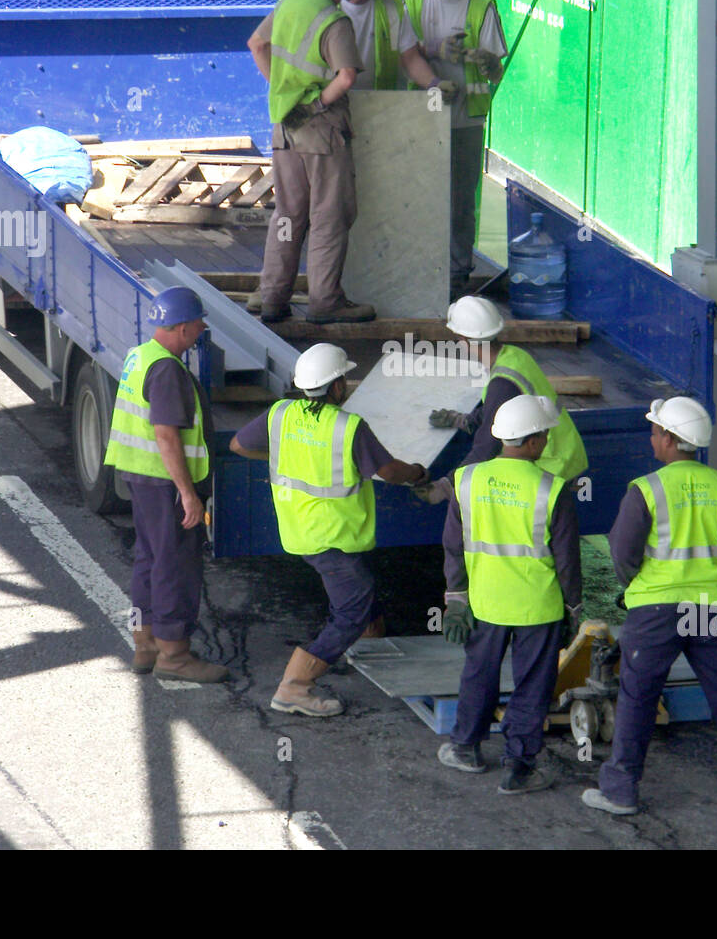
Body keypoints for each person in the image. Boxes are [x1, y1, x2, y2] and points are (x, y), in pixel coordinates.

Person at [581, 397, 717, 815]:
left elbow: (622, 553)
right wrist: (711, 574)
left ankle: (620, 792)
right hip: (711, 608)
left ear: (669, 439)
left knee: (638, 696)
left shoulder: (646, 489)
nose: (652, 438)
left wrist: (640, 583)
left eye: (655, 431)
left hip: (655, 611)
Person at [229, 343, 428, 715]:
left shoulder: (280, 414)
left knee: (360, 589)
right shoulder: (348, 427)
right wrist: (420, 473)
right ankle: (294, 686)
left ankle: (367, 644)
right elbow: (388, 471)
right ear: (337, 387)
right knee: (353, 606)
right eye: (345, 380)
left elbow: (238, 445)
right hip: (333, 535)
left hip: (300, 529)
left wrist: (281, 454)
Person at [438, 394, 584, 794]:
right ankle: (517, 768)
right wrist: (574, 609)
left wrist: (456, 599)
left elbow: (453, 544)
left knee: (479, 674)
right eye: (545, 436)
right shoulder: (553, 490)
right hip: (539, 608)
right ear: (533, 442)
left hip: (485, 603)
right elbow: (568, 560)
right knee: (532, 686)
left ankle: (466, 747)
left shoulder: (466, 479)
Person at [247, 0, 377, 325]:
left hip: (285, 128)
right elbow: (347, 76)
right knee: (328, 216)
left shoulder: (289, 3)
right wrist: (317, 104)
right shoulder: (335, 22)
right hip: (320, 133)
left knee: (288, 214)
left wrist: (283, 92)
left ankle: (272, 296)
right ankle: (325, 301)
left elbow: (256, 44)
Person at [103, 286, 228, 683]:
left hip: (141, 477)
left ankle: (146, 645)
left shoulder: (140, 355)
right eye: (198, 322)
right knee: (175, 565)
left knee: (150, 559)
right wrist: (189, 494)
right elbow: (167, 435)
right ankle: (175, 655)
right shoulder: (168, 370)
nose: (202, 328)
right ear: (183, 327)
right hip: (166, 483)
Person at [403, 0, 507, 296]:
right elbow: (401, 52)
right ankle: (421, 263)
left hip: (465, 120)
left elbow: (496, 72)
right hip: (423, 115)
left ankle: (457, 272)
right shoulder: (413, 0)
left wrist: (488, 63)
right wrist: (434, 51)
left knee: (461, 200)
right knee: (420, 194)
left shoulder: (482, 7)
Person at [417, 295, 587, 502]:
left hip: (549, 465)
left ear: (463, 340)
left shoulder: (503, 383)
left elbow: (487, 447)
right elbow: (500, 406)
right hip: (565, 454)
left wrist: (448, 485)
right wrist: (465, 420)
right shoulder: (515, 356)